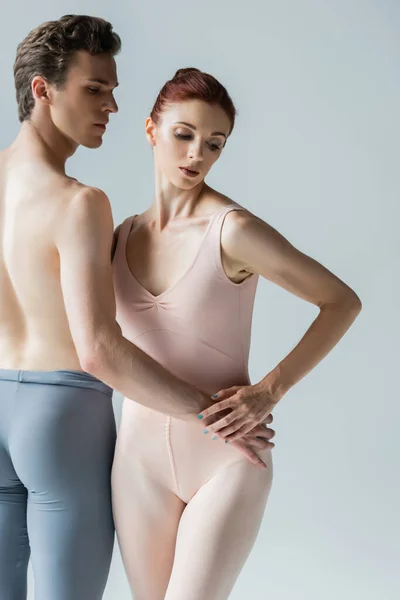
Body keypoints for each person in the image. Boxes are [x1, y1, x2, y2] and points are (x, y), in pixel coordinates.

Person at [0, 16, 273, 600]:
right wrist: (212, 415)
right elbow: (100, 350)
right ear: (42, 89)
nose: (112, 106)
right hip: (61, 413)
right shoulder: (80, 204)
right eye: (95, 89)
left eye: (114, 90)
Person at [111, 68, 362, 600]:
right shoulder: (118, 237)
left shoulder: (232, 230)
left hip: (227, 456)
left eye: (214, 144)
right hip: (136, 462)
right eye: (184, 134)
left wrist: (270, 390)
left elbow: (341, 301)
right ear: (151, 130)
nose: (197, 154)